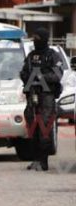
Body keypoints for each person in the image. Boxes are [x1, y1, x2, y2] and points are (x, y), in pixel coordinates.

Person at [20, 28, 62, 171]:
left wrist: (40, 77)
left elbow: (57, 75)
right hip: (32, 96)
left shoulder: (53, 56)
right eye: (34, 38)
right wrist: (29, 78)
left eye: (38, 37)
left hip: (47, 96)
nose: (35, 40)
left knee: (44, 127)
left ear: (44, 38)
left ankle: (43, 161)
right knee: (32, 127)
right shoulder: (31, 56)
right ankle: (36, 159)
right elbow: (24, 72)